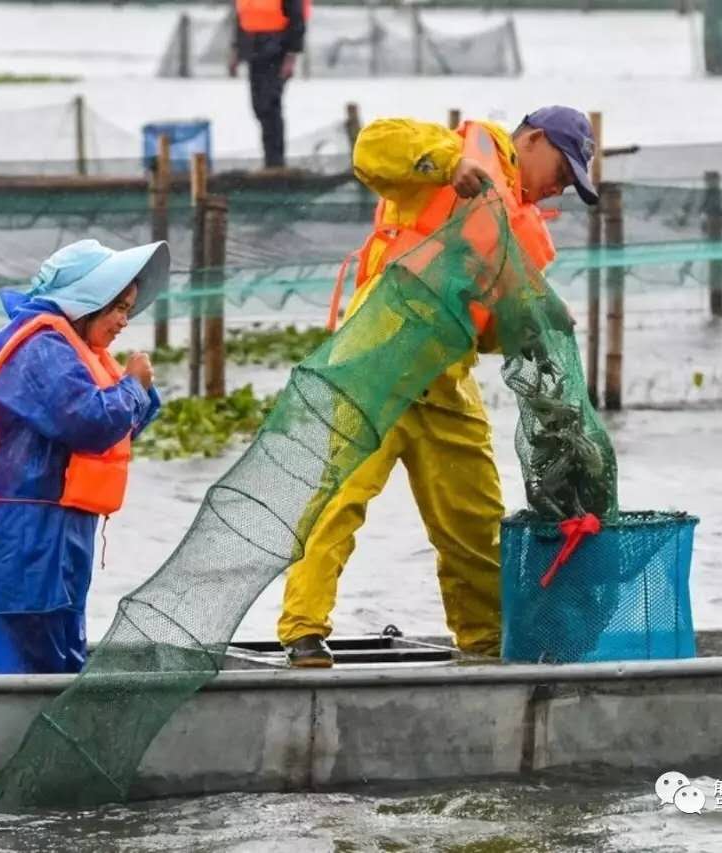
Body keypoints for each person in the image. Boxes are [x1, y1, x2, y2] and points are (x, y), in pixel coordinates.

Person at [279, 106, 601, 667]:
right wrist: (449, 164)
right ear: (534, 139)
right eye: (563, 170)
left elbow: (490, 330)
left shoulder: (523, 231)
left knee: (475, 521)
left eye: (572, 183)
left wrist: (534, 319)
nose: (562, 188)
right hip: (376, 359)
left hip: (446, 380)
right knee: (340, 501)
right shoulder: (460, 153)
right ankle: (303, 630)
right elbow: (372, 147)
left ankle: (485, 643)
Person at [0, 239, 170, 675]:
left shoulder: (73, 352)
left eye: (127, 309)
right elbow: (90, 421)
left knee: (59, 665)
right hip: (20, 543)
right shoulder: (43, 349)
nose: (124, 321)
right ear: (87, 300)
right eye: (117, 307)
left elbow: (115, 434)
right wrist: (132, 386)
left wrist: (136, 391)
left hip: (56, 542)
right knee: (19, 668)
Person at [227, 0, 309, 169]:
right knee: (259, 106)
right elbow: (242, 17)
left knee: (269, 105)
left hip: (277, 49)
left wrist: (291, 54)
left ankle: (275, 162)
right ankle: (270, 161)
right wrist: (236, 50)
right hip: (253, 49)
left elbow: (297, 17)